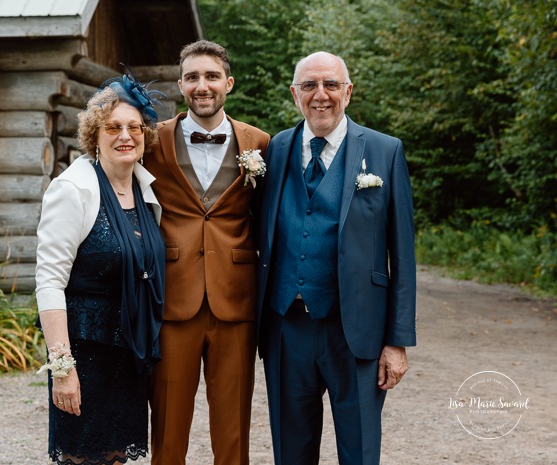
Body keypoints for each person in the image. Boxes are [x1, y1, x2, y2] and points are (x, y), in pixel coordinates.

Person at [256, 51, 417, 465]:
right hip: (286, 328)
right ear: (295, 94)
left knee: (360, 451)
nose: (320, 95)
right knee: (291, 452)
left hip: (357, 332)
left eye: (330, 84)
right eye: (309, 85)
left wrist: (396, 341)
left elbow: (402, 255)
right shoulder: (276, 149)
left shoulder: (385, 151)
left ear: (348, 91)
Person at [144, 40, 270, 465]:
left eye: (212, 76)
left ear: (228, 83)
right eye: (193, 77)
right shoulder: (151, 141)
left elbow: (268, 218)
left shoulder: (260, 143)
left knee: (233, 425)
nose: (203, 85)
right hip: (172, 301)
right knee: (167, 422)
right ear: (181, 85)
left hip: (236, 301)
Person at [35, 72, 166, 465]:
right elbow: (49, 282)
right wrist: (62, 367)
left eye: (134, 127)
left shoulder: (144, 188)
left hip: (127, 353)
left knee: (113, 458)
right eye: (113, 127)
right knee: (82, 458)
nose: (125, 135)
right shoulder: (73, 188)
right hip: (84, 354)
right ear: (95, 135)